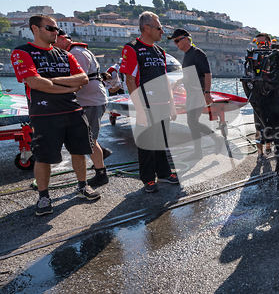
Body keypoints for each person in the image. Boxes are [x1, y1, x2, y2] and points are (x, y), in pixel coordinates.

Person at [10, 14, 100, 216]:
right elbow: (34, 82)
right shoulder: (22, 52)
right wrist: (67, 86)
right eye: (50, 28)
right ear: (35, 28)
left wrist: (52, 81)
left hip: (74, 111)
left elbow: (83, 79)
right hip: (44, 114)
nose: (55, 33)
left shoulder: (64, 54)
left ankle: (83, 187)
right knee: (43, 157)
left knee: (79, 151)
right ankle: (43, 197)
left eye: (57, 29)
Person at [120, 11, 179, 193]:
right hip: (145, 105)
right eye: (159, 27)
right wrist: (140, 109)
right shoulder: (132, 48)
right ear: (147, 28)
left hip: (162, 104)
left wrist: (171, 104)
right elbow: (130, 81)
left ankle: (164, 173)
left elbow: (164, 79)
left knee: (161, 142)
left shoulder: (160, 51)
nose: (162, 31)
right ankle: (148, 179)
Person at [54, 29, 111, 187]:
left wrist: (55, 88)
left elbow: (80, 80)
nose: (52, 44)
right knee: (89, 138)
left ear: (63, 39)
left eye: (54, 40)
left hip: (91, 100)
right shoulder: (77, 50)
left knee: (89, 139)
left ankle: (101, 174)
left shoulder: (76, 53)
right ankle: (101, 153)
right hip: (89, 99)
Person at [169, 28, 224, 161]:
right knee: (192, 123)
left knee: (192, 121)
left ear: (186, 38)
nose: (176, 44)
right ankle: (199, 151)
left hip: (199, 93)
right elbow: (188, 77)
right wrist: (177, 82)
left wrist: (207, 93)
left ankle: (216, 139)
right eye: (174, 42)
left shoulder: (197, 53)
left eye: (177, 40)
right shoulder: (187, 55)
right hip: (191, 93)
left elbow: (207, 73)